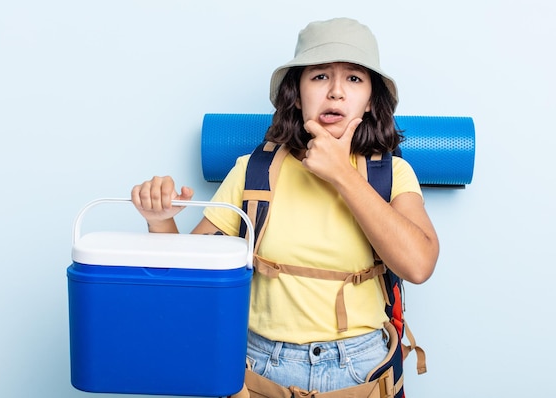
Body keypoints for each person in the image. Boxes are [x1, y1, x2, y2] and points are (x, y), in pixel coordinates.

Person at [131, 17, 439, 394]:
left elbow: (419, 265)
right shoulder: (252, 171)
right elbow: (193, 286)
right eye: (320, 76)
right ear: (297, 94)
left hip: (361, 370)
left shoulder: (392, 174)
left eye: (354, 79)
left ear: (372, 101)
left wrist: (343, 174)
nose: (336, 92)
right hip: (260, 367)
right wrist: (160, 223)